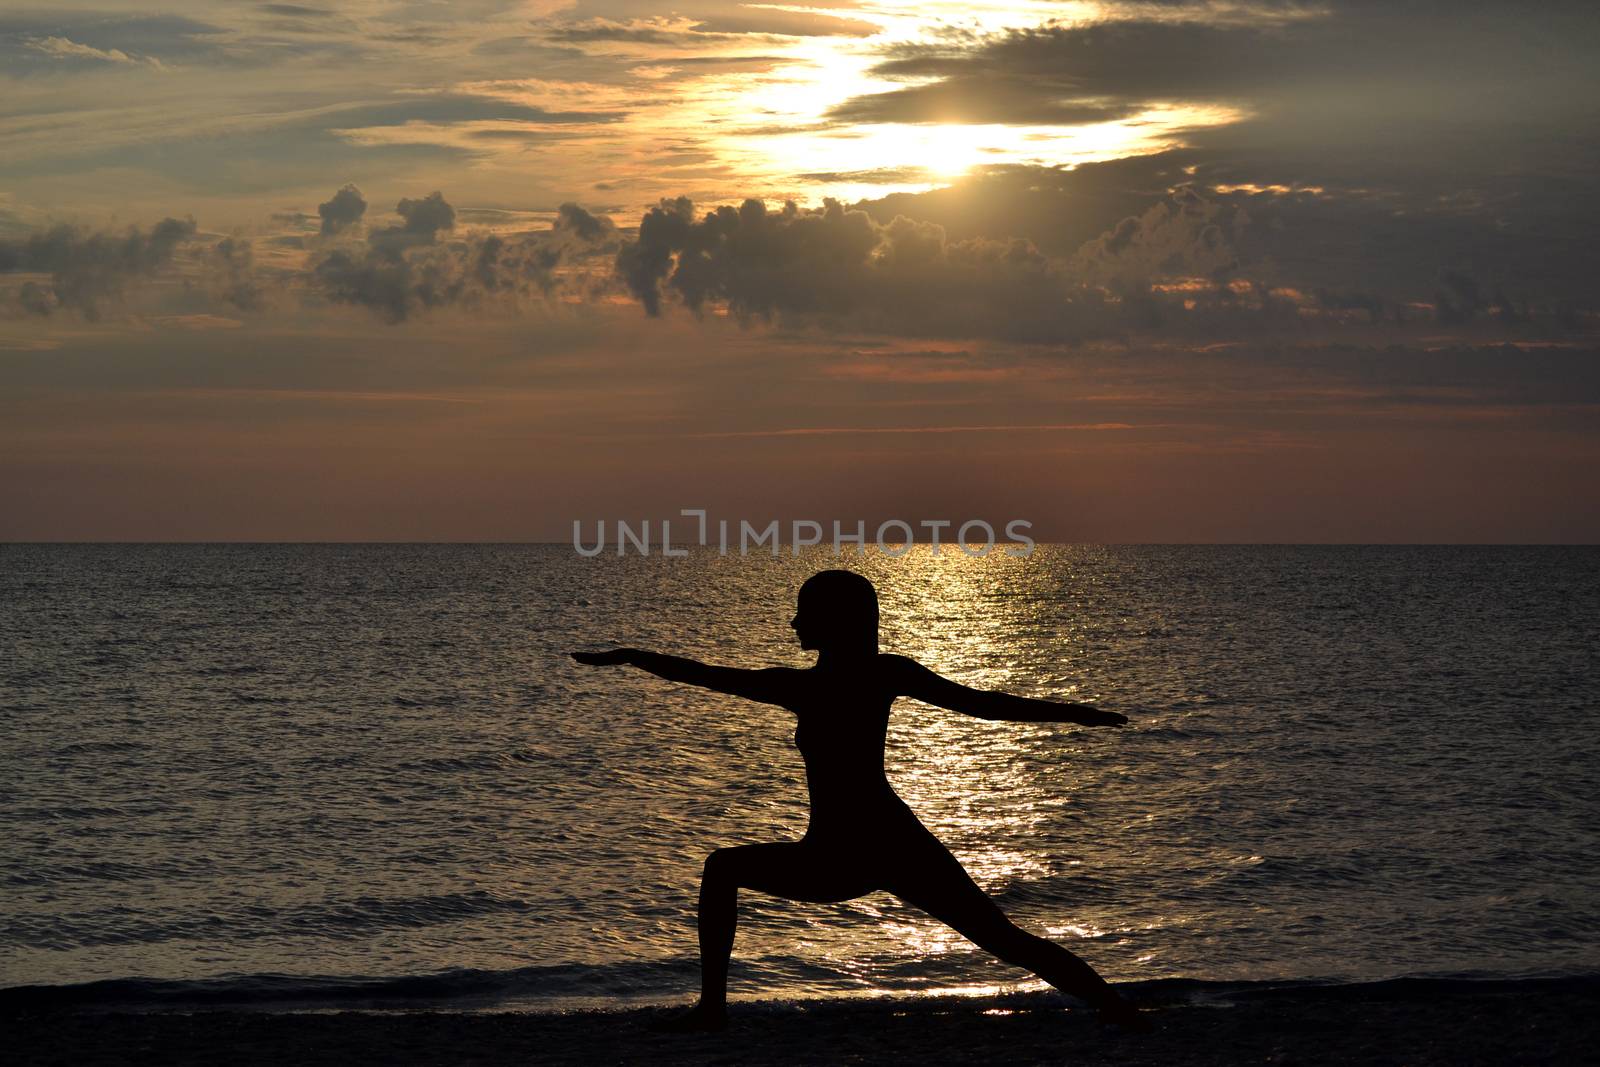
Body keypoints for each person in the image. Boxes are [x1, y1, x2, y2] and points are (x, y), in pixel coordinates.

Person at [571, 568, 1143, 1031]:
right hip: (864, 846)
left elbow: (982, 703)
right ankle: (1118, 1009)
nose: (794, 621)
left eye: (806, 611)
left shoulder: (840, 681)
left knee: (1003, 939)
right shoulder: (843, 679)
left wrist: (1074, 714)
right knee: (1002, 938)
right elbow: (704, 675)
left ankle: (1118, 1008)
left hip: (866, 849)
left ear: (836, 620)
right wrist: (634, 657)